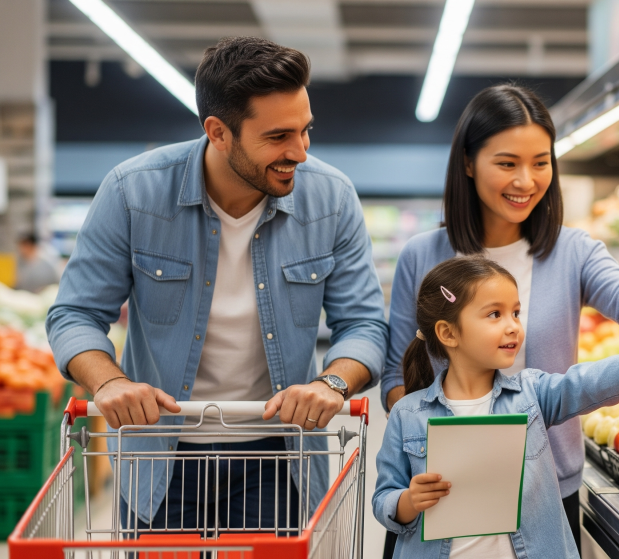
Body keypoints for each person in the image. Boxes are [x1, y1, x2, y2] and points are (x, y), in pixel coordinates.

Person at [45, 37, 388, 534]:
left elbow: (363, 324)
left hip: (279, 458)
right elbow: (74, 313)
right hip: (159, 459)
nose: (301, 152)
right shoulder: (132, 192)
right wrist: (109, 381)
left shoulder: (331, 200)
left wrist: (330, 383)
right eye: (278, 137)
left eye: (305, 130)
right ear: (218, 132)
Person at [380, 84, 619, 553]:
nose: (526, 180)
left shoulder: (572, 250)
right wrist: (424, 435)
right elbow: (398, 373)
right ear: (469, 163)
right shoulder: (423, 255)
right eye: (507, 163)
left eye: (540, 162)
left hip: (546, 490)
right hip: (440, 493)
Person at [373, 256, 619, 558]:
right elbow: (384, 498)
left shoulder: (530, 396)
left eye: (515, 312)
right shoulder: (408, 414)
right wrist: (409, 501)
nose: (513, 326)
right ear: (448, 333)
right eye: (494, 315)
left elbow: (590, 382)